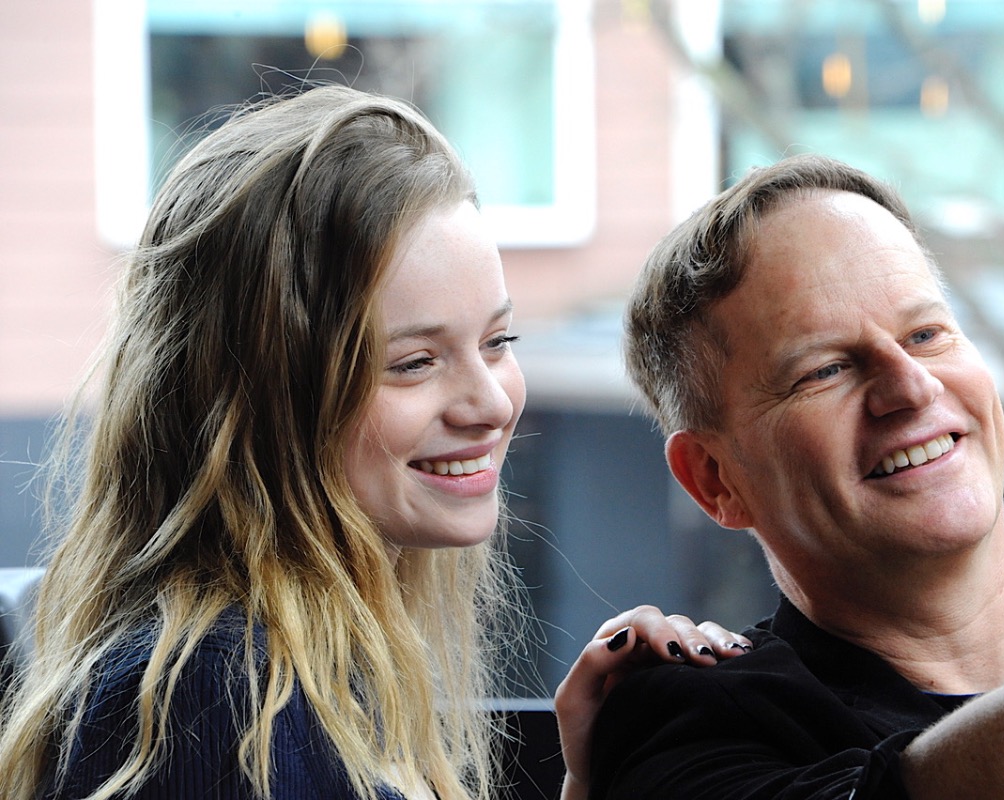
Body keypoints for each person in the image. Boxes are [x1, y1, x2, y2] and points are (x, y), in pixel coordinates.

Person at [0, 85, 750, 800]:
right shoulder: (219, 696)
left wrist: (592, 775)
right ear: (264, 400)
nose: (493, 404)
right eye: (414, 362)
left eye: (498, 341)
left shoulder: (303, 678)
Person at [590, 153, 1004, 799]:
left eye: (926, 334)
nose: (911, 386)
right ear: (715, 479)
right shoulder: (688, 728)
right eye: (824, 370)